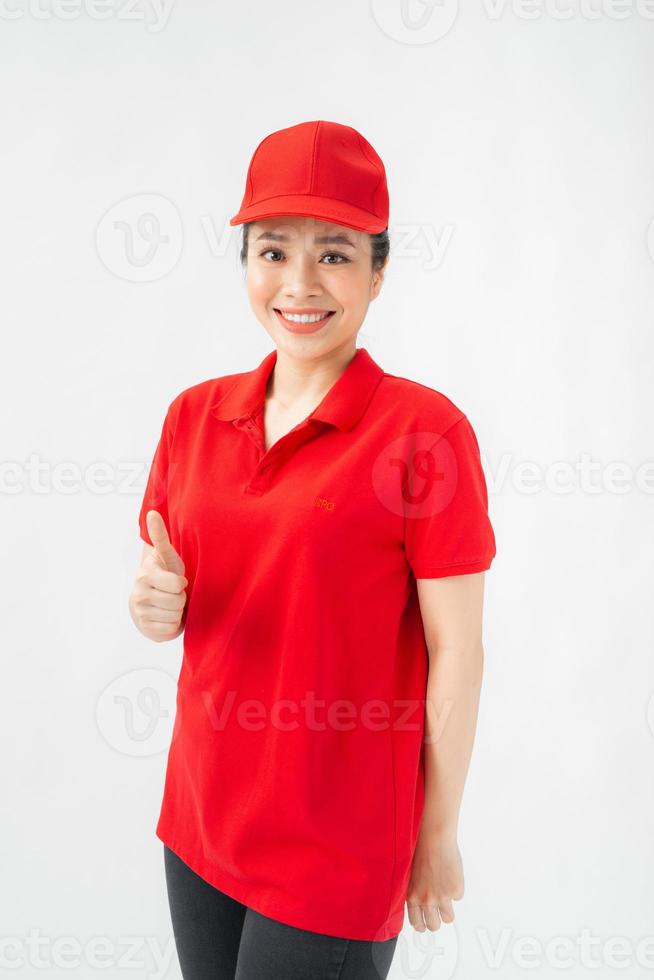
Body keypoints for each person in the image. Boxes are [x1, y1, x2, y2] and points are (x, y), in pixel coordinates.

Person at [129, 119, 497, 980]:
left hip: (338, 844)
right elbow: (173, 595)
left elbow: (459, 652)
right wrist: (152, 608)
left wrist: (437, 832)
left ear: (380, 270)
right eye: (272, 251)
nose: (298, 284)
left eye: (333, 253)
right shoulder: (193, 415)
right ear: (247, 263)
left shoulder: (424, 434)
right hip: (200, 816)